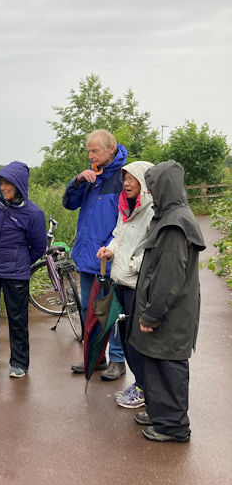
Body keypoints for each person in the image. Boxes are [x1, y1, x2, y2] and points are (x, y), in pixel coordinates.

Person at [129, 160, 205, 442]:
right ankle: (161, 413)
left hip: (170, 314)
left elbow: (168, 277)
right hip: (166, 311)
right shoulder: (170, 216)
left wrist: (152, 314)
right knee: (157, 361)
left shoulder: (174, 224)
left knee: (169, 364)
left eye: (152, 187)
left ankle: (173, 425)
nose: (149, 193)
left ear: (164, 187)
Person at [62, 129, 127, 380]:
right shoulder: (91, 176)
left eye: (95, 150)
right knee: (91, 309)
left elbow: (126, 219)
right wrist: (77, 181)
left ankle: (118, 360)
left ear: (111, 149)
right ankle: (96, 357)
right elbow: (69, 203)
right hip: (88, 256)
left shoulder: (123, 178)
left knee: (113, 309)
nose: (90, 155)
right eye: (88, 150)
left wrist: (112, 248)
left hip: (110, 256)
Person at [0, 161, 47, 378]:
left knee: (17, 318)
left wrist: (21, 262)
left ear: (19, 186)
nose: (4, 188)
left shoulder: (33, 213)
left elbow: (38, 246)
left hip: (15, 272)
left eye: (9, 184)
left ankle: (19, 362)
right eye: (1, 183)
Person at [96, 161, 154, 408]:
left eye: (131, 179)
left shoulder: (152, 211)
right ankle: (140, 383)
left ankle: (145, 389)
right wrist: (109, 251)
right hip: (120, 281)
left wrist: (131, 264)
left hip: (136, 286)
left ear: (144, 182)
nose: (126, 183)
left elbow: (155, 251)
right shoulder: (125, 207)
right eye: (124, 178)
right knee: (127, 340)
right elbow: (119, 237)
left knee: (137, 342)